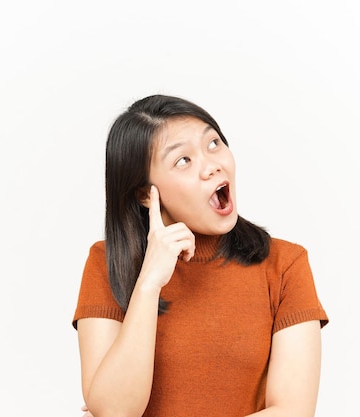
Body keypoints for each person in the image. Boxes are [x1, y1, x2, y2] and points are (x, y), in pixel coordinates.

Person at [72, 94, 329, 417]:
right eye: (183, 160)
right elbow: (114, 410)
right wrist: (149, 283)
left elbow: (293, 411)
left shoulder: (284, 264)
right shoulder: (107, 263)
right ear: (144, 193)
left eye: (213, 143)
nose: (212, 165)